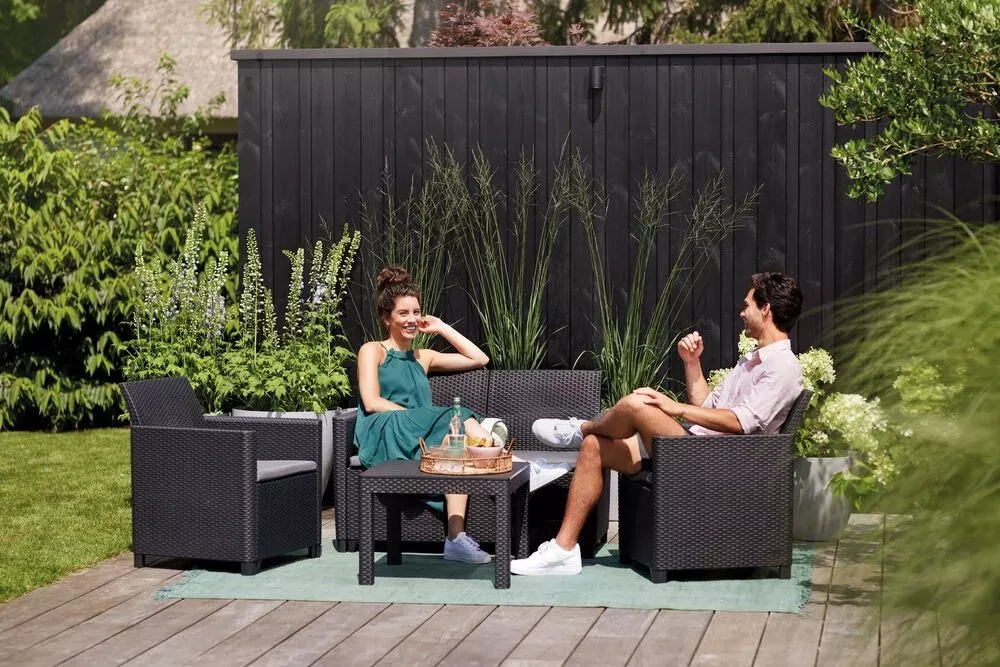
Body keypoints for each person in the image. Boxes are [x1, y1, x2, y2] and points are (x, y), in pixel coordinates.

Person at [511, 272, 805, 576]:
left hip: (719, 464)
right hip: (701, 450)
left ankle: (581, 427)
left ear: (766, 309)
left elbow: (742, 422)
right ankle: (563, 550)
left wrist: (674, 407)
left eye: (747, 305)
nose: (742, 313)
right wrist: (692, 362)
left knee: (638, 404)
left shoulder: (782, 366)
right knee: (594, 447)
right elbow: (706, 405)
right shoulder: (752, 360)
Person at [355, 265, 507, 565]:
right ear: (387, 318)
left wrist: (441, 327)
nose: (412, 319)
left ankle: (455, 540)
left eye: (416, 312)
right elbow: (372, 402)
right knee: (455, 417)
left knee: (456, 446)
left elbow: (480, 358)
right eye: (403, 313)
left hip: (420, 434)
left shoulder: (423, 357)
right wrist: (421, 418)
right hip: (384, 431)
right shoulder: (372, 350)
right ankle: (496, 447)